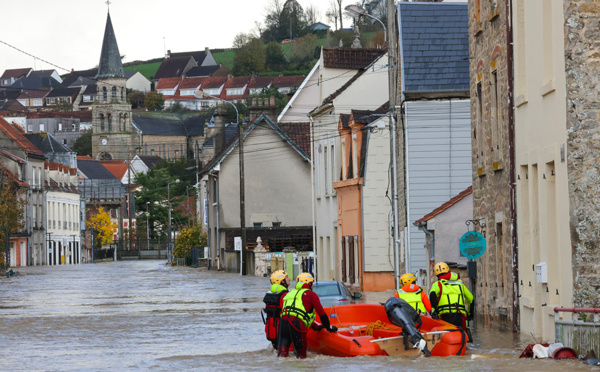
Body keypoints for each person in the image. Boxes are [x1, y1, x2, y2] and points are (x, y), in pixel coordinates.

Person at [278, 272, 337, 358]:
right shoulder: (311, 294)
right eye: (312, 283)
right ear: (309, 283)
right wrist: (329, 328)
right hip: (296, 324)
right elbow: (322, 314)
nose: (313, 286)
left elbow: (296, 312)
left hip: (283, 324)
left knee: (282, 356)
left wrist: (316, 327)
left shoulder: (290, 293)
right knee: (302, 357)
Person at [429, 262, 474, 339]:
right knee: (462, 337)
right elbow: (471, 298)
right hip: (460, 316)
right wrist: (470, 314)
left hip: (445, 317)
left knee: (446, 338)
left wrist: (435, 311)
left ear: (436, 274)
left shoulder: (438, 284)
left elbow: (432, 295)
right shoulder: (461, 284)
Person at [262, 270, 290, 349]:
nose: (289, 279)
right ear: (282, 281)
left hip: (271, 329)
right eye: (287, 277)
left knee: (277, 351)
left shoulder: (270, 295)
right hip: (282, 330)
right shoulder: (284, 295)